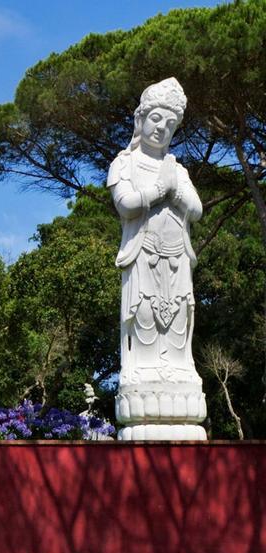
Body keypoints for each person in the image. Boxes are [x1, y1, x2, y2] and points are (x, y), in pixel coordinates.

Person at [108, 77, 206, 439]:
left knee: (178, 318)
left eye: (170, 124)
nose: (161, 128)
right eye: (156, 119)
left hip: (177, 257)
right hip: (143, 256)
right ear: (140, 120)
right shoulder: (125, 163)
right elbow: (126, 204)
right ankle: (143, 376)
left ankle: (179, 376)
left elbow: (195, 209)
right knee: (145, 317)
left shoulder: (178, 169)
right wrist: (159, 189)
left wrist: (175, 189)